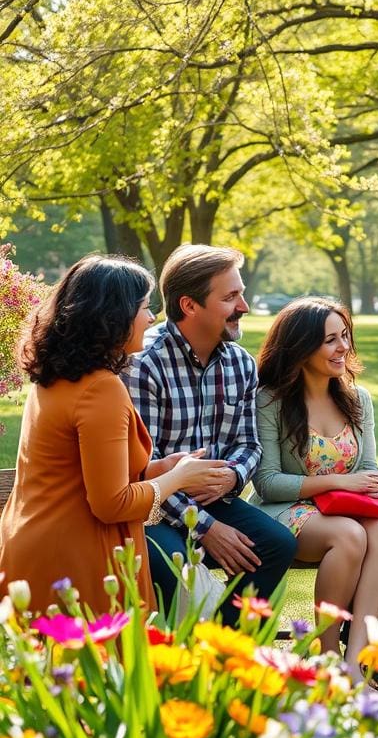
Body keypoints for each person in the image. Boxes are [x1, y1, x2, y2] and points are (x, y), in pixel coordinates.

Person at [0, 255, 229, 613]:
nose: (152, 317)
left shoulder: (53, 378)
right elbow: (112, 504)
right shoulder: (101, 389)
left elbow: (74, 473)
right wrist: (177, 478)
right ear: (112, 315)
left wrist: (159, 468)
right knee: (97, 668)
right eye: (143, 307)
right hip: (77, 559)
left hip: (33, 545)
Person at [124, 244, 296, 627]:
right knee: (175, 562)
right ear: (189, 305)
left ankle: (222, 654)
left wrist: (231, 476)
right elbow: (140, 474)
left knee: (276, 545)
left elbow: (249, 444)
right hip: (152, 508)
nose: (244, 306)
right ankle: (178, 660)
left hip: (213, 497)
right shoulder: (144, 365)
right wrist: (206, 528)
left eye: (242, 294)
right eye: (231, 296)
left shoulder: (240, 363)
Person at [252, 297, 378, 667]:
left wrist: (371, 484)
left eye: (345, 336)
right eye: (331, 339)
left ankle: (356, 659)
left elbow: (367, 466)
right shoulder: (271, 401)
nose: (343, 346)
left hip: (344, 510)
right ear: (301, 347)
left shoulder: (357, 399)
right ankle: (329, 656)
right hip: (285, 510)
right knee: (348, 535)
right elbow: (267, 482)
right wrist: (340, 483)